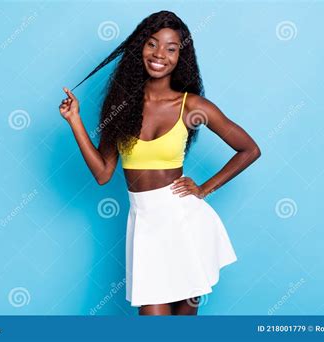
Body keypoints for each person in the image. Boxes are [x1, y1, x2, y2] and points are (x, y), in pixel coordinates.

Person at [58, 10, 261, 315]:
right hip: (146, 225)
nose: (159, 55)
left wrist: (204, 189)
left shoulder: (191, 105)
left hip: (185, 222)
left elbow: (249, 149)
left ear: (182, 56)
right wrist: (74, 120)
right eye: (152, 44)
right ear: (140, 47)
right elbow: (103, 173)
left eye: (171, 48)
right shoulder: (122, 107)